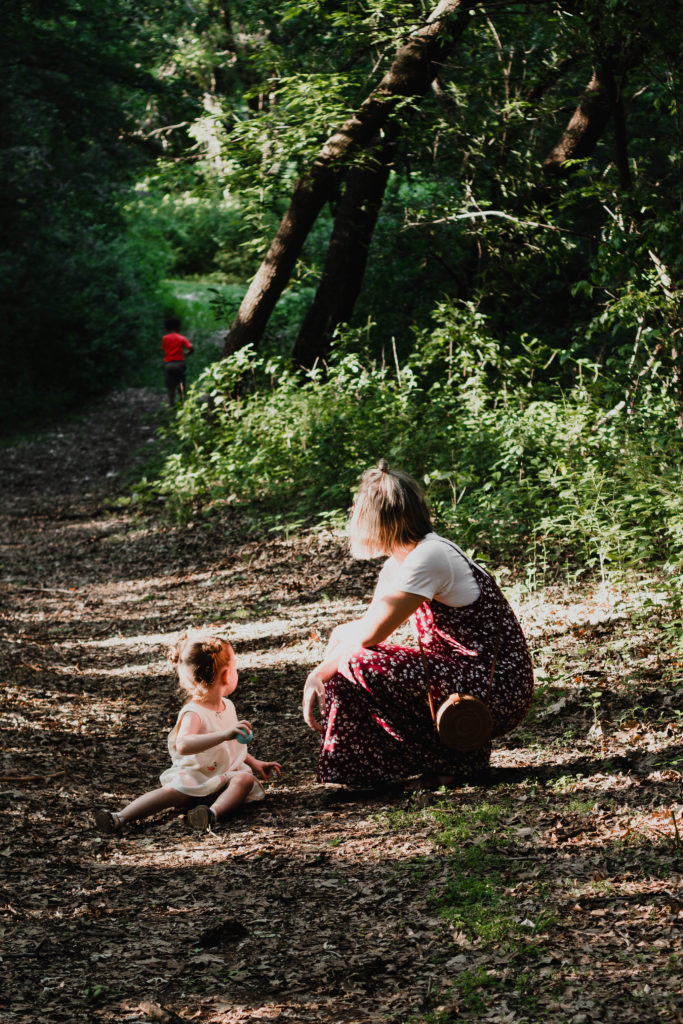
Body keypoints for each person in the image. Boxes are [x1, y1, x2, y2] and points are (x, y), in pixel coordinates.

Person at [302, 461, 534, 787]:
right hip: (465, 675)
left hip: (497, 687)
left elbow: (370, 636)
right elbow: (366, 625)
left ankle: (454, 764)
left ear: (381, 519)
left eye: (359, 511)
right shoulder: (403, 562)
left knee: (356, 661)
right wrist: (338, 639)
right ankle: (364, 775)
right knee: (346, 651)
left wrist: (318, 673)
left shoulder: (430, 556)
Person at [95, 630, 282, 834]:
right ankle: (120, 817)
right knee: (168, 793)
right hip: (196, 778)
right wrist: (225, 734)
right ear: (226, 675)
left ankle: (210, 814)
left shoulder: (227, 706)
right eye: (235, 667)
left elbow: (232, 747)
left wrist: (255, 763)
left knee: (245, 780)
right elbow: (183, 745)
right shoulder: (194, 712)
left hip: (224, 780)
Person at [161, 315, 193, 406]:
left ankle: (172, 404)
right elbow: (191, 348)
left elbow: (164, 349)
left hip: (168, 364)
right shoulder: (181, 338)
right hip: (179, 363)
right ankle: (183, 403)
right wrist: (187, 353)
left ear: (167, 328)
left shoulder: (165, 338)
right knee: (181, 384)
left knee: (170, 387)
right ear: (179, 327)